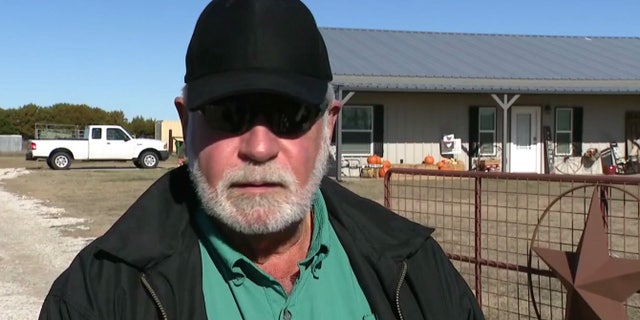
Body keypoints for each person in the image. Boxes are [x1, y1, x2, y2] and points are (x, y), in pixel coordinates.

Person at [39, 0, 484, 319]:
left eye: (289, 116)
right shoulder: (98, 296)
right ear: (186, 122)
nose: (258, 147)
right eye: (227, 114)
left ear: (328, 125)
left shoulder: (414, 267)